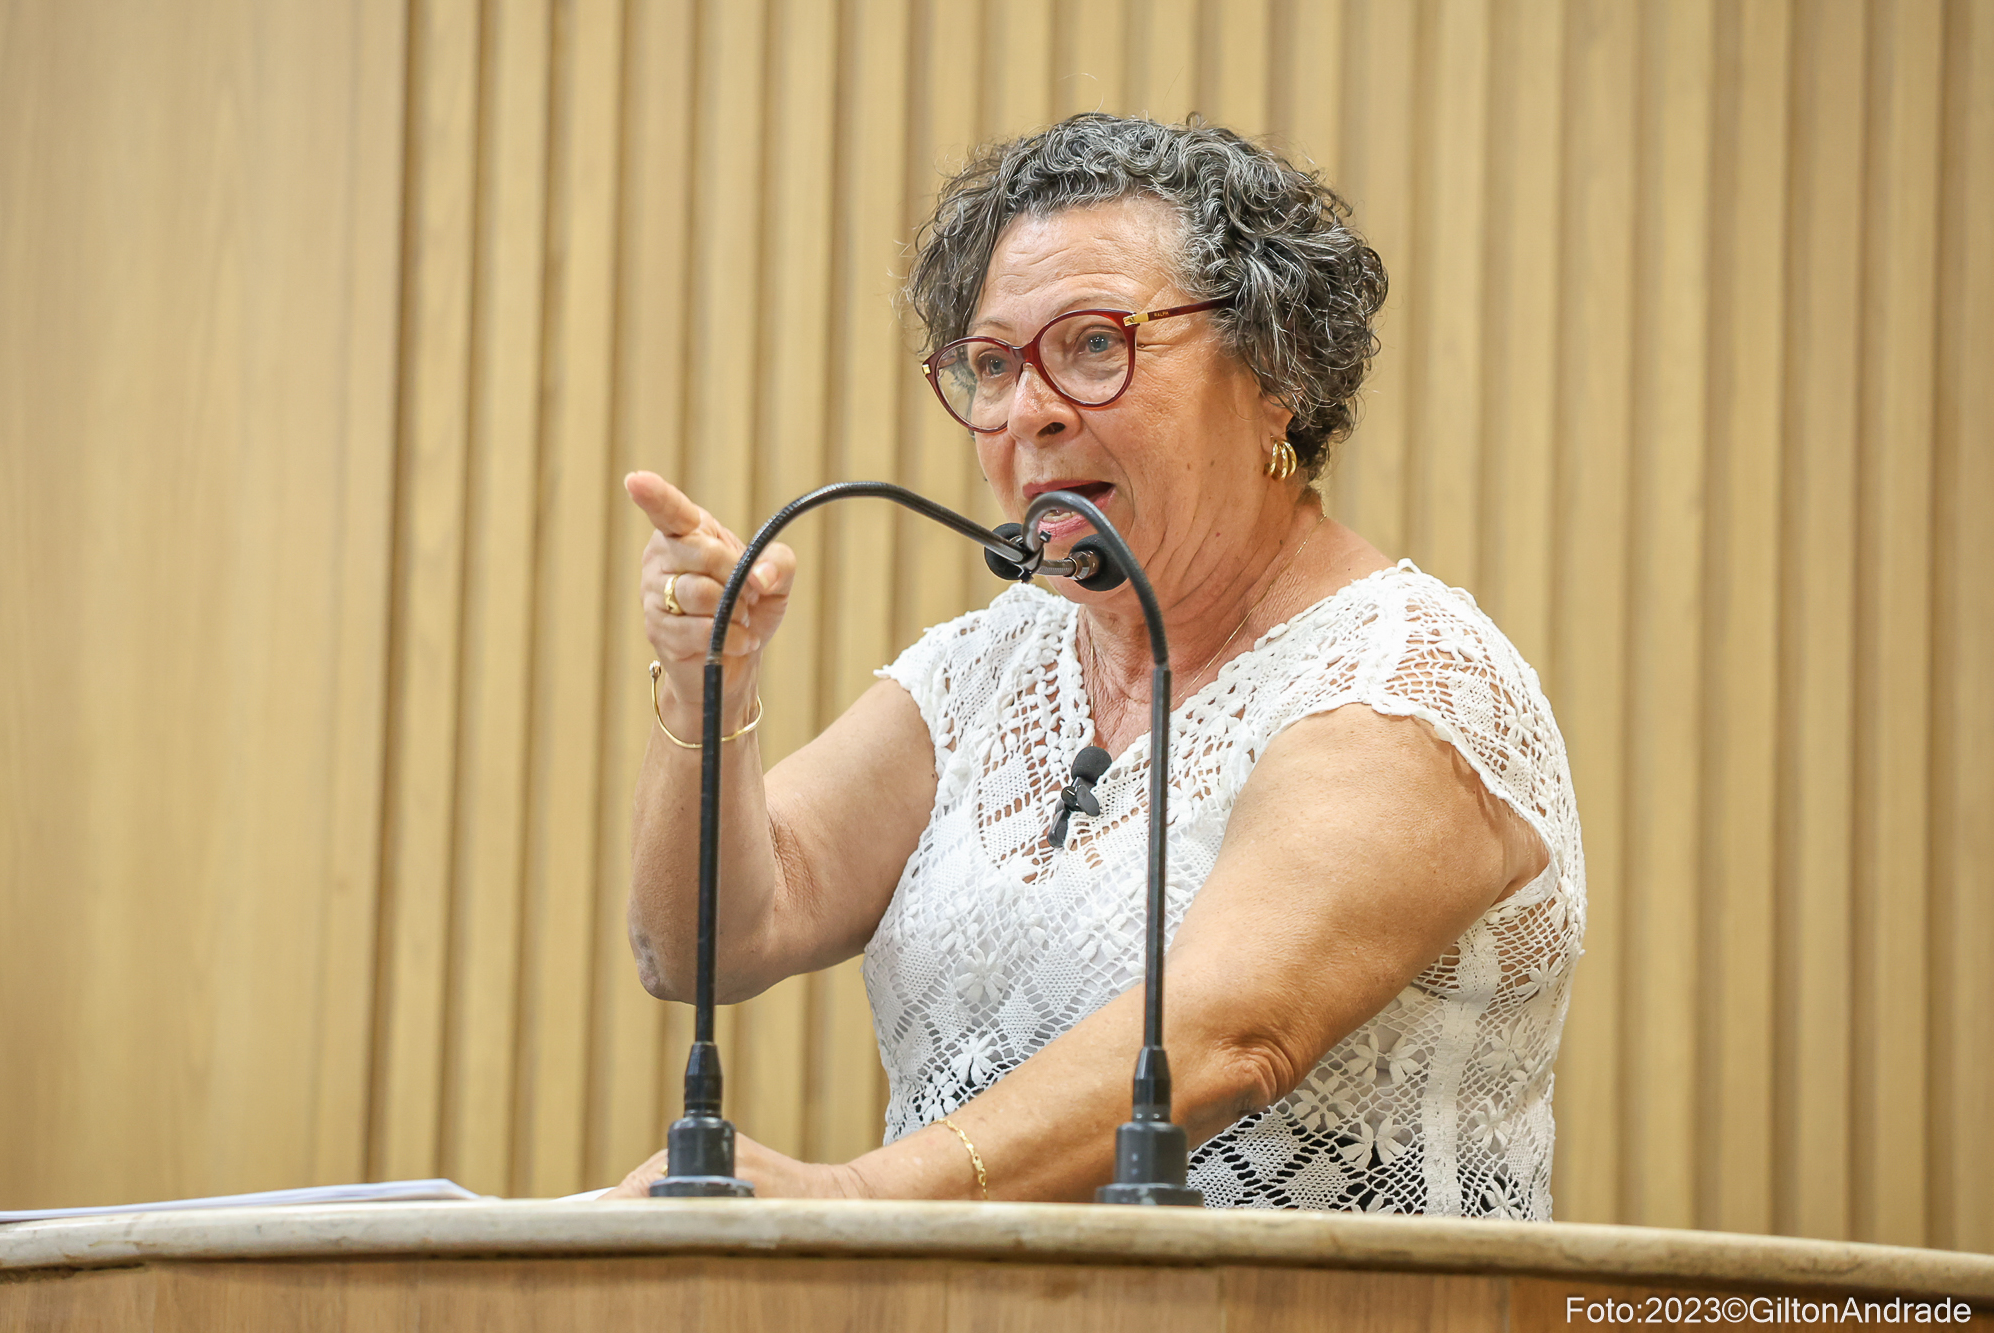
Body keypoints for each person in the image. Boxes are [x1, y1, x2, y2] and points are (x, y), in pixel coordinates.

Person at [606, 114, 1583, 1216]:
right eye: (993, 364)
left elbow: (1228, 1036)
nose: (1029, 413)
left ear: (1276, 370)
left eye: (1094, 345)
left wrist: (858, 1199)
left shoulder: (1406, 680)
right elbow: (706, 944)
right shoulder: (993, 667)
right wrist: (705, 683)